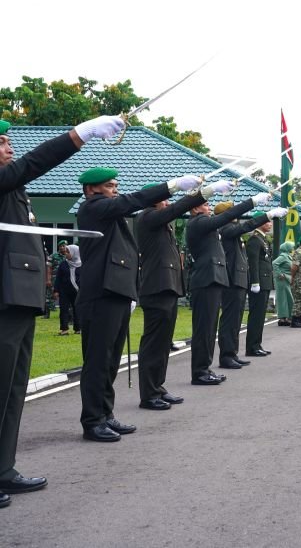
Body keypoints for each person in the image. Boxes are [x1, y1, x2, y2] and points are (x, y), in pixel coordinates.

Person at [0, 115, 123, 503]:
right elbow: (36, 162)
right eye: (1, 142)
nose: (10, 147)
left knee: (13, 388)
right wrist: (80, 134)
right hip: (4, 297)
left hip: (20, 297)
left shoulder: (11, 187)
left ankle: (3, 468)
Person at [76, 167, 203, 442]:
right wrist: (173, 184)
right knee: (98, 361)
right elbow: (132, 201)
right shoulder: (93, 208)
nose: (115, 189)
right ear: (90, 190)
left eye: (115, 185)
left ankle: (105, 414)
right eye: (109, 186)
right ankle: (92, 420)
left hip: (117, 292)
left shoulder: (111, 215)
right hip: (101, 293)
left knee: (110, 361)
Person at [136, 180, 229, 411]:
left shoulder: (158, 219)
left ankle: (158, 388)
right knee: (154, 344)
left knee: (163, 343)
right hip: (156, 287)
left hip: (167, 286)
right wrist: (204, 192)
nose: (167, 203)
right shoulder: (147, 216)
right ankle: (149, 394)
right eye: (163, 199)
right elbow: (177, 209)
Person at [186, 191, 271, 385]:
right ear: (195, 208)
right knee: (205, 329)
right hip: (207, 280)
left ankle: (205, 369)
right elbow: (230, 221)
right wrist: (256, 206)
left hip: (215, 279)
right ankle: (201, 370)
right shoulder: (201, 223)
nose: (209, 208)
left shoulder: (210, 227)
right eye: (205, 204)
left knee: (210, 328)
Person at [218, 205, 275, 365]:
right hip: (234, 280)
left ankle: (233, 353)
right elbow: (254, 263)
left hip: (240, 280)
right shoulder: (229, 230)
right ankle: (231, 354)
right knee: (232, 319)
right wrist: (255, 281)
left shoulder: (238, 232)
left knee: (236, 319)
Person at [246, 211, 284, 356]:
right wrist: (255, 282)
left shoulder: (262, 239)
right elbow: (253, 263)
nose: (269, 224)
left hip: (265, 281)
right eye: (267, 221)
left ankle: (257, 344)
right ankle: (252, 347)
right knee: (256, 315)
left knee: (260, 316)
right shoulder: (255, 240)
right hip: (259, 283)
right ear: (259, 222)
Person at [53, 243, 81, 336]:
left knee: (77, 309)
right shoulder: (63, 264)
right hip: (64, 291)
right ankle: (64, 329)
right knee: (64, 309)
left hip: (77, 291)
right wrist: (56, 291)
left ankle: (78, 328)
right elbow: (58, 278)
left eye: (68, 252)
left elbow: (85, 279)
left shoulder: (81, 264)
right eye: (66, 252)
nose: (66, 254)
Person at [273, 241, 295, 326]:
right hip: (282, 280)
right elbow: (274, 263)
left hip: (286, 279)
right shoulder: (283, 256)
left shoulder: (288, 256)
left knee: (287, 299)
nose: (292, 248)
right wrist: (279, 273)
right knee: (283, 299)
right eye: (291, 247)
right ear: (287, 248)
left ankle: (286, 317)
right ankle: (282, 318)